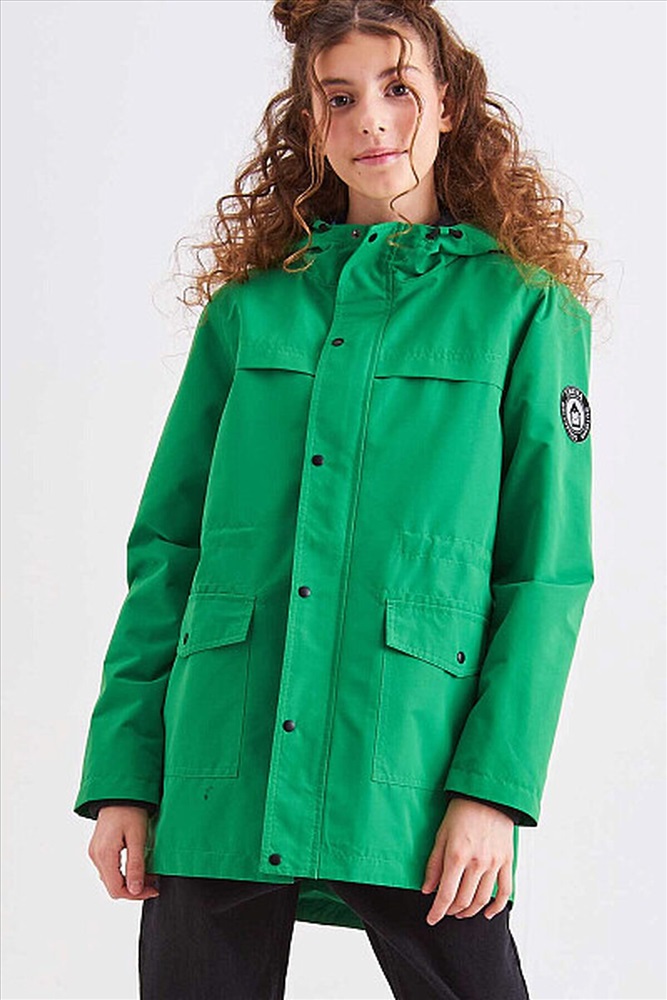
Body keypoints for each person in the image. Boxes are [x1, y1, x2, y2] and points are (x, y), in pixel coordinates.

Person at [73, 1, 599, 997]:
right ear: (310, 122)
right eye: (340, 97)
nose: (372, 120)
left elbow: (545, 574)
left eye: (398, 88)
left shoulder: (523, 309)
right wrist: (125, 777)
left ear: (449, 103)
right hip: (220, 762)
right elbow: (169, 551)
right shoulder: (249, 312)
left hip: (409, 762)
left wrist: (492, 791)